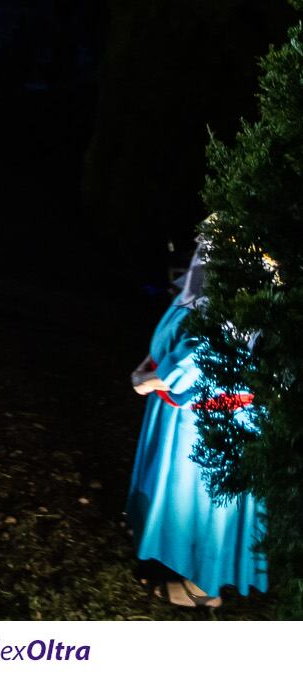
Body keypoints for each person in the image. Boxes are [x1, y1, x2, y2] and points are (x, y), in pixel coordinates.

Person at [127, 238, 268, 607]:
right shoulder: (206, 286)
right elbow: (179, 329)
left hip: (208, 423)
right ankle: (177, 557)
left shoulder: (233, 305)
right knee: (185, 497)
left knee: (203, 502)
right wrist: (152, 359)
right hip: (186, 415)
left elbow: (200, 360)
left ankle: (205, 586)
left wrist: (147, 381)